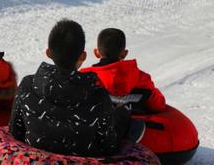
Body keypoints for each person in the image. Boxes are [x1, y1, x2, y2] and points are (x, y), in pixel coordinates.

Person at [9, 19, 142, 157]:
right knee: (126, 118)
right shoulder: (97, 96)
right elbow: (108, 146)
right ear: (83, 56)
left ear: (48, 52)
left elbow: (15, 131)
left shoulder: (27, 85)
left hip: (36, 163)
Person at [81, 28, 166, 113]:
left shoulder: (85, 77)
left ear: (96, 53)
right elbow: (159, 105)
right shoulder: (142, 78)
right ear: (124, 53)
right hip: (134, 125)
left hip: (97, 124)